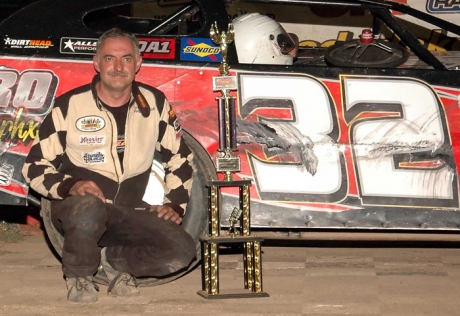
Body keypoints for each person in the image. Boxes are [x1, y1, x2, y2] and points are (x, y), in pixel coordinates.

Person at [22, 28, 196, 303]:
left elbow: (181, 157)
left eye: (126, 59)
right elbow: (34, 166)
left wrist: (174, 204)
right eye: (109, 58)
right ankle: (80, 276)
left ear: (138, 64)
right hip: (78, 208)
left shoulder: (155, 103)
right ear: (96, 63)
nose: (118, 67)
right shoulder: (69, 105)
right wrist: (71, 185)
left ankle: (116, 260)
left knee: (183, 249)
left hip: (126, 212)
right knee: (89, 207)